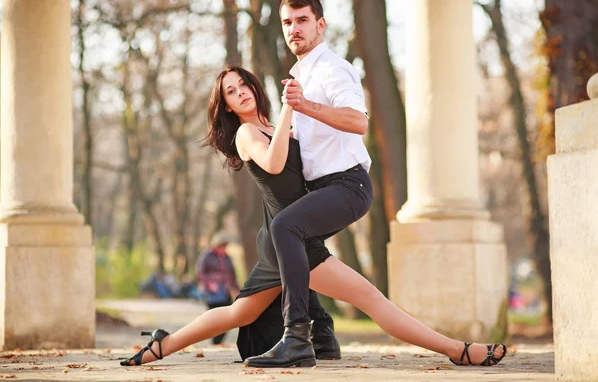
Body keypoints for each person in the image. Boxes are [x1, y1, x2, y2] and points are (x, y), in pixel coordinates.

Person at [119, 66, 507, 369]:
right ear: (227, 107)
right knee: (372, 300)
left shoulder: (274, 125)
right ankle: (458, 350)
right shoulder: (247, 134)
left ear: (254, 86)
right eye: (231, 93)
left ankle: (161, 345)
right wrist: (291, 106)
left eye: (243, 85)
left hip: (285, 234)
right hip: (289, 237)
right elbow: (272, 164)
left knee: (240, 312)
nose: (240, 94)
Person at [243, 0, 374, 367]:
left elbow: (358, 121)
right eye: (287, 22)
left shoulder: (332, 69)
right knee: (281, 239)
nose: (294, 29)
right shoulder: (301, 75)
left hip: (348, 184)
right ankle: (324, 334)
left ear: (320, 25)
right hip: (323, 187)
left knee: (285, 228)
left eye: (302, 20)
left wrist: (306, 106)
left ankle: (295, 338)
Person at [195, 231, 240, 344]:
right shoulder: (207, 255)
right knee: (214, 317)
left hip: (225, 291)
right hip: (212, 291)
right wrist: (209, 284)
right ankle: (215, 340)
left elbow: (232, 274)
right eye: (221, 246)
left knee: (228, 317)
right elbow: (200, 272)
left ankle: (218, 341)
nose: (223, 248)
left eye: (225, 246)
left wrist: (238, 289)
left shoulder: (227, 258)